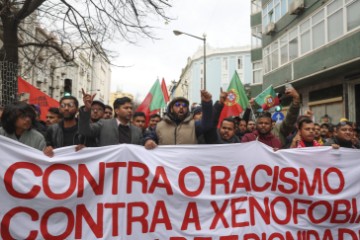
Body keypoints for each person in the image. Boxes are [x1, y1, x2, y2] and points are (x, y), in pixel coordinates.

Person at [144, 90, 213, 149]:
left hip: (187, 164)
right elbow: (148, 136)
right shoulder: (160, 126)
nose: (181, 107)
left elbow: (207, 124)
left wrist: (207, 103)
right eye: (177, 104)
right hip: (166, 163)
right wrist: (148, 140)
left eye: (184, 105)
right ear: (171, 109)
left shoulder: (194, 125)